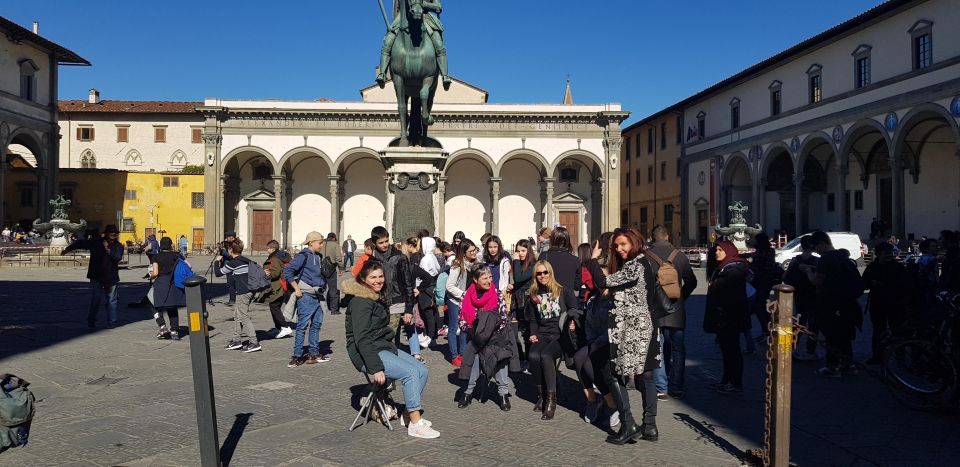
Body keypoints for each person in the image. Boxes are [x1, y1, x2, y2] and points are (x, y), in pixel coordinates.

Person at [343, 261, 440, 439]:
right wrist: (375, 367)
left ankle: (407, 415)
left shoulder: (376, 296)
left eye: (380, 276)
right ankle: (416, 424)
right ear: (363, 279)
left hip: (382, 345)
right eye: (373, 277)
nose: (378, 280)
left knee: (422, 370)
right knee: (410, 373)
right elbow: (361, 339)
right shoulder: (360, 302)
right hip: (366, 354)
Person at [585, 229, 661, 444]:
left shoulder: (637, 264)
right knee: (644, 375)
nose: (619, 249)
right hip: (642, 327)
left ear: (634, 242)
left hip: (633, 330)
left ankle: (629, 424)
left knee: (612, 372)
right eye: (616, 246)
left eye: (623, 244)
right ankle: (649, 426)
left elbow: (603, 282)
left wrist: (592, 260)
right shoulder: (642, 262)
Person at [646, 225, 697, 399]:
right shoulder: (680, 256)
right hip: (676, 309)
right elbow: (692, 281)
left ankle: (662, 388)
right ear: (667, 237)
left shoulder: (646, 257)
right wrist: (681, 296)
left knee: (657, 348)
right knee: (678, 349)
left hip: (655, 309)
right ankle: (677, 387)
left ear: (652, 238)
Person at [575, 232, 620, 427]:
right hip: (595, 341)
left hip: (609, 342)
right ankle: (593, 400)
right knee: (579, 359)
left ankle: (613, 405)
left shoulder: (615, 299)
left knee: (591, 363)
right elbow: (590, 327)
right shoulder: (593, 299)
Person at [803, 231, 864, 377]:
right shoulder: (841, 257)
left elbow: (817, 281)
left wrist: (808, 272)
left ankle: (832, 366)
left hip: (830, 303)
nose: (815, 250)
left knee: (832, 335)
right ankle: (847, 364)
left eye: (815, 246)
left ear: (822, 243)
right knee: (845, 335)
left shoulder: (826, 259)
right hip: (847, 303)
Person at [525, 260, 579, 421]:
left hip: (559, 335)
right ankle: (541, 394)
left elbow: (575, 309)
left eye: (545, 272)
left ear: (550, 273)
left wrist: (572, 321)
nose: (542, 276)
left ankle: (551, 401)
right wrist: (533, 333)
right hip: (542, 334)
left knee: (547, 356)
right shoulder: (534, 295)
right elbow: (533, 320)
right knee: (533, 357)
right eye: (539, 273)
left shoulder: (562, 291)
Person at [457, 267, 516, 411]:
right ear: (475, 280)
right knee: (473, 355)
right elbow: (462, 318)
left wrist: (488, 333)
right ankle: (468, 391)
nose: (489, 281)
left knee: (499, 356)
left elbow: (503, 319)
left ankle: (503, 393)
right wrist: (473, 333)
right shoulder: (466, 295)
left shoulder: (497, 294)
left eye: (490, 277)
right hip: (475, 336)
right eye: (485, 278)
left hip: (494, 336)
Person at [703, 241, 751, 393]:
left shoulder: (733, 270)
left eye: (720, 249)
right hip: (724, 319)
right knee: (726, 351)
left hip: (729, 319)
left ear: (728, 251)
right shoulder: (724, 268)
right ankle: (726, 380)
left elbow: (731, 298)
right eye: (716, 249)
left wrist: (723, 314)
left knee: (732, 350)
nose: (717, 252)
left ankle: (735, 383)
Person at [377, 0, 451, 90]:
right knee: (388, 40)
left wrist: (423, 5)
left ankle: (445, 76)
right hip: (403, 17)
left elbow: (438, 6)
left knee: (439, 43)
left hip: (426, 18)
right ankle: (382, 73)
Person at [63, 224, 124, 329]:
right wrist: (67, 249)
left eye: (115, 233)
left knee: (112, 300)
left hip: (111, 276)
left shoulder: (118, 246)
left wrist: (108, 250)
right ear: (106, 234)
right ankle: (91, 320)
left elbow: (117, 257)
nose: (113, 234)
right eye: (111, 232)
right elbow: (80, 243)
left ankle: (112, 322)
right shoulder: (96, 242)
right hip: (97, 275)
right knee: (96, 299)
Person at [284, 232, 330, 366]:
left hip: (318, 296)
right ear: (311, 243)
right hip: (306, 297)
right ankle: (297, 356)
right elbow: (287, 272)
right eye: (319, 243)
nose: (321, 245)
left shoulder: (317, 256)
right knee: (302, 327)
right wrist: (296, 289)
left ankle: (313, 353)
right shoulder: (303, 256)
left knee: (316, 325)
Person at [861, 242, 908, 364]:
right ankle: (877, 356)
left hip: (896, 304)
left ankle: (900, 355)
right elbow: (864, 283)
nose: (889, 255)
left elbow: (905, 285)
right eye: (886, 253)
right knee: (878, 331)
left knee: (897, 330)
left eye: (891, 253)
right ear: (878, 254)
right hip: (878, 303)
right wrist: (872, 283)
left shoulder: (898, 267)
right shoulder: (872, 267)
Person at [370, 226, 415, 352]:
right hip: (380, 301)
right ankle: (395, 357)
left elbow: (408, 283)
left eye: (386, 241)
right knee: (388, 335)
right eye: (381, 242)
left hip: (397, 300)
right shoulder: (372, 259)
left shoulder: (399, 257)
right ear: (374, 243)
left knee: (389, 334)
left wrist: (409, 309)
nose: (385, 245)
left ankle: (391, 361)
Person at [216, 239, 261, 353]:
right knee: (237, 315)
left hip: (243, 292)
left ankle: (254, 342)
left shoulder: (234, 263)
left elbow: (218, 273)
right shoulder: (245, 260)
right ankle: (236, 340)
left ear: (231, 250)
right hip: (250, 290)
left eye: (229, 249)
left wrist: (217, 261)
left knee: (243, 316)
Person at [783, 236, 820, 360]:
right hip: (813, 295)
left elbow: (786, 277)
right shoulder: (816, 261)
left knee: (799, 323)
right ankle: (810, 350)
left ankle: (792, 349)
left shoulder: (795, 260)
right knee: (814, 324)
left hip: (799, 294)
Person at [445, 239, 479, 367]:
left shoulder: (476, 263)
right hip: (455, 300)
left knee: (465, 327)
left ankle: (463, 353)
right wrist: (463, 295)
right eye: (471, 251)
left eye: (474, 249)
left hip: (469, 301)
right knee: (454, 327)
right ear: (464, 253)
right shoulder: (457, 265)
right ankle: (454, 355)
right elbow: (450, 286)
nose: (474, 252)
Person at [150, 237, 188, 340]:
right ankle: (174, 331)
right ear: (170, 245)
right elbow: (189, 265)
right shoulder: (177, 255)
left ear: (161, 245)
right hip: (174, 282)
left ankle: (162, 326)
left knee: (154, 304)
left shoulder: (156, 257)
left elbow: (156, 273)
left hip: (161, 283)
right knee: (172, 306)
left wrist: (150, 275)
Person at [511, 239, 537, 371]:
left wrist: (515, 261)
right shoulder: (519, 264)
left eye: (523, 251)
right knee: (517, 332)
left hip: (527, 302)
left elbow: (519, 278)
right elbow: (518, 281)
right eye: (518, 251)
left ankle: (529, 360)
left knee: (527, 332)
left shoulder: (533, 264)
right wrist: (513, 286)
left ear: (529, 251)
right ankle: (522, 358)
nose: (520, 254)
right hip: (518, 301)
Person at [264, 240, 294, 339]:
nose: (266, 250)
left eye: (268, 248)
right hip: (283, 285)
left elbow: (276, 272)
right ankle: (279, 328)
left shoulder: (275, 258)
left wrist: (267, 274)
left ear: (272, 248)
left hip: (278, 286)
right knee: (274, 306)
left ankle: (284, 327)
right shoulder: (282, 256)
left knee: (274, 307)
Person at [539, 226, 580, 291]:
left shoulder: (544, 256)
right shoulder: (575, 260)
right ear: (567, 241)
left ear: (551, 240)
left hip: (549, 297)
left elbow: (538, 278)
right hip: (568, 298)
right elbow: (577, 286)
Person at [322, 232, 344, 315]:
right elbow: (338, 257)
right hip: (331, 269)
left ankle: (320, 307)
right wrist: (341, 268)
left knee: (321, 288)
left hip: (321, 268)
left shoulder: (321, 244)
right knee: (333, 289)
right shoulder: (335, 245)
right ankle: (334, 309)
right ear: (334, 238)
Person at [220, 231, 238, 306]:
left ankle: (232, 300)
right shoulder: (228, 244)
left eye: (227, 237)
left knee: (231, 283)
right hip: (229, 264)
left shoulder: (235, 244)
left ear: (232, 237)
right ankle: (233, 299)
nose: (226, 239)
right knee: (231, 283)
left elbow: (229, 255)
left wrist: (223, 250)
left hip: (231, 265)